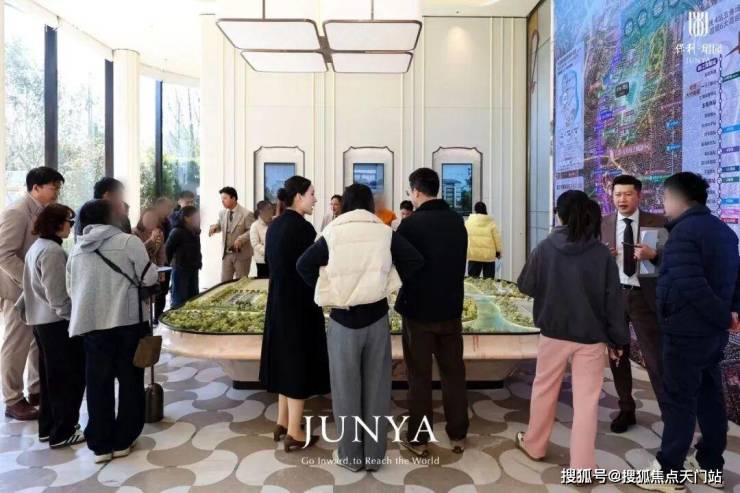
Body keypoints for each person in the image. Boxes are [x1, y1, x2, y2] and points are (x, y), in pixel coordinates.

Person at [297, 184, 424, 472]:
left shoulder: (332, 232)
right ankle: (374, 457)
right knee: (377, 391)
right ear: (369, 205)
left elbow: (303, 265)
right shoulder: (384, 232)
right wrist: (389, 280)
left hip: (343, 321)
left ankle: (351, 456)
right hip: (377, 319)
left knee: (345, 392)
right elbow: (414, 260)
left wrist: (329, 289)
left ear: (344, 205)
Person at [637, 173, 740, 492]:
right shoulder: (723, 231)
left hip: (686, 332)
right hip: (711, 334)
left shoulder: (683, 234)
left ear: (678, 199)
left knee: (679, 401)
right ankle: (710, 462)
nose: (663, 206)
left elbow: (691, 286)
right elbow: (736, 276)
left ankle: (669, 471)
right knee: (710, 395)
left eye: (665, 199)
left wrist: (723, 316)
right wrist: (731, 313)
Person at [515, 190, 627, 473]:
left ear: (559, 215)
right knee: (587, 403)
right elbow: (613, 301)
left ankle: (535, 446)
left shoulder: (545, 247)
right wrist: (617, 340)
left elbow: (525, 285)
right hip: (591, 337)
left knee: (544, 390)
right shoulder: (601, 253)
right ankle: (582, 467)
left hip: (553, 332)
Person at [67, 199, 159, 463]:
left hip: (92, 326)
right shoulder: (128, 242)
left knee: (98, 384)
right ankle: (124, 439)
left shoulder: (77, 249)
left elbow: (71, 288)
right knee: (130, 381)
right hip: (127, 322)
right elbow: (149, 277)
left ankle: (100, 444)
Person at [395, 168, 469, 456]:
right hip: (451, 308)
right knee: (454, 373)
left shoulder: (410, 226)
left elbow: (401, 268)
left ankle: (418, 438)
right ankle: (458, 433)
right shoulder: (457, 221)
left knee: (419, 376)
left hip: (418, 312)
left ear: (416, 191)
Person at [259, 178, 330, 452]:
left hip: (278, 301)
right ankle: (295, 433)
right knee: (298, 363)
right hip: (299, 304)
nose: (315, 199)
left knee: (284, 360)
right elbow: (312, 266)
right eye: (312, 194)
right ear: (298, 197)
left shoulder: (275, 226)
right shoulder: (303, 228)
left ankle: (282, 421)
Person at [17, 204, 85, 447]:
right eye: (69, 221)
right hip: (56, 324)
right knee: (67, 378)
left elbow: (28, 291)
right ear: (56, 224)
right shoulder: (52, 251)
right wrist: (74, 320)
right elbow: (57, 296)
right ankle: (63, 431)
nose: (71, 226)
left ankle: (48, 428)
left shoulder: (38, 247)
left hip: (42, 322)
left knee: (50, 380)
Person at [602, 175, 666, 433]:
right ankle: (626, 408)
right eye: (618, 194)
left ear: (639, 195)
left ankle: (670, 414)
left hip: (644, 297)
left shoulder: (658, 222)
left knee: (655, 358)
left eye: (628, 194)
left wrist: (655, 255)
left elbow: (673, 260)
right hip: (614, 296)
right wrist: (603, 258)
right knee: (617, 355)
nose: (622, 199)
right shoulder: (603, 223)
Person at [0, 166, 64, 421]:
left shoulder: (41, 211)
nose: (56, 192)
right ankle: (12, 399)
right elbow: (3, 254)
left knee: (35, 343)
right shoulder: (17, 212)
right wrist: (29, 280)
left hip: (34, 291)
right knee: (15, 345)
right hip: (17, 291)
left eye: (58, 187)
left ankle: (36, 391)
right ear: (35, 188)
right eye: (53, 187)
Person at [208, 187, 254, 282]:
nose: (222, 201)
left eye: (225, 198)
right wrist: (215, 227)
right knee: (224, 282)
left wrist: (241, 239)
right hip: (226, 254)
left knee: (241, 283)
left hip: (242, 255)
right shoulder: (222, 213)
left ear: (233, 198)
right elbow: (220, 225)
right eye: (221, 199)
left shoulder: (247, 214)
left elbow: (251, 231)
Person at [133, 208, 168, 322]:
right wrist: (151, 240)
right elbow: (137, 252)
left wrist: (161, 271)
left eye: (154, 219)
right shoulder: (134, 233)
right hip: (138, 272)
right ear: (141, 218)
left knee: (152, 299)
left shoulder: (159, 233)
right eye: (148, 218)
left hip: (152, 270)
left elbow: (161, 253)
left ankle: (149, 324)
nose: (151, 221)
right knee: (142, 302)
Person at [165, 206, 202, 308]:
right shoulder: (177, 232)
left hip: (193, 268)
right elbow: (167, 250)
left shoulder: (195, 231)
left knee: (193, 298)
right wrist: (165, 271)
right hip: (180, 270)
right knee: (179, 299)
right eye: (195, 217)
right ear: (186, 218)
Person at [465, 202, 503, 279]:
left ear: (475, 210)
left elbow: (464, 237)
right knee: (489, 280)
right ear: (485, 209)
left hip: (474, 255)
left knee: (473, 280)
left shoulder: (468, 222)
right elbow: (497, 239)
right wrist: (498, 252)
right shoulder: (491, 223)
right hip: (488, 256)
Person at [250, 200, 274, 279]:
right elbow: (255, 244)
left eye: (271, 209)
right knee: (263, 282)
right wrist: (268, 252)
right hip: (262, 261)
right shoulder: (255, 226)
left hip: (275, 260)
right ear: (261, 211)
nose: (271, 212)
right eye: (268, 209)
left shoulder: (275, 222)